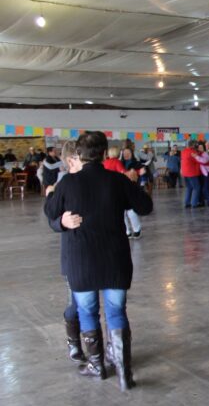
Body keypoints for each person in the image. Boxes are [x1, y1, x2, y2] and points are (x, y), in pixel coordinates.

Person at [44, 131, 153, 391]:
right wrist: (133, 182)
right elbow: (145, 207)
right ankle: (124, 373)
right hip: (115, 259)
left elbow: (50, 211)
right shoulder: (117, 180)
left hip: (82, 262)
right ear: (104, 154)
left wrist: (52, 196)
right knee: (116, 312)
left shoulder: (69, 183)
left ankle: (97, 365)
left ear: (79, 155)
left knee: (87, 311)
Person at [44, 140, 86, 364]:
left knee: (92, 304)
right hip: (74, 255)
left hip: (98, 251)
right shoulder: (63, 184)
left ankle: (98, 348)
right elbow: (51, 218)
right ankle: (74, 341)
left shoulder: (94, 179)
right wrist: (61, 221)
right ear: (72, 160)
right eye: (82, 157)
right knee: (77, 304)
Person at [120, 147, 146, 237]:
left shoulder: (136, 163)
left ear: (132, 154)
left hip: (132, 188)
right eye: (124, 153)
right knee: (122, 213)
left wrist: (140, 173)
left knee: (131, 211)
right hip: (120, 189)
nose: (126, 154)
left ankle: (137, 229)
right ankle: (126, 231)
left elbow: (143, 172)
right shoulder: (120, 163)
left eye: (128, 153)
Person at [181, 140, 201, 208]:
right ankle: (194, 203)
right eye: (196, 144)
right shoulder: (193, 152)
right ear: (193, 145)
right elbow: (198, 160)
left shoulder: (183, 151)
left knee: (189, 187)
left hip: (185, 172)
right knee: (197, 188)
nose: (196, 146)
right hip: (191, 172)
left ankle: (187, 203)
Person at [195, 143, 209, 207]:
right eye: (199, 147)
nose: (200, 148)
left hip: (207, 172)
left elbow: (204, 161)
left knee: (206, 187)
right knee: (200, 188)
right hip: (199, 173)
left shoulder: (205, 154)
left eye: (201, 147)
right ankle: (201, 202)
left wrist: (196, 157)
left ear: (204, 148)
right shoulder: (197, 154)